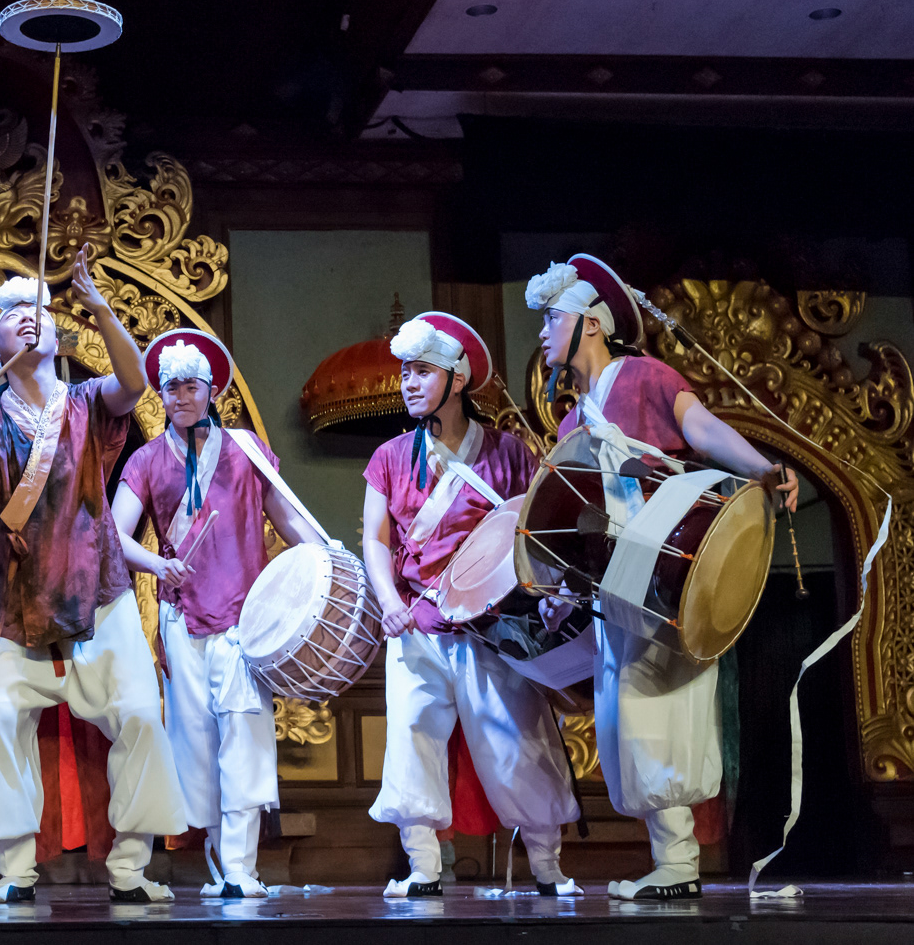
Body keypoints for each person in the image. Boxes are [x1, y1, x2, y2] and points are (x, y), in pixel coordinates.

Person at [527, 255, 796, 900]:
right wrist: (562, 589)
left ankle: (679, 863)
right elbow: (578, 520)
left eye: (552, 318)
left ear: (592, 323)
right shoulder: (571, 422)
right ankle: (670, 859)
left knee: (657, 710)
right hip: (615, 584)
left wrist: (761, 468)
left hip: (664, 568)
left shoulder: (646, 376)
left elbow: (698, 426)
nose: (541, 332)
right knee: (625, 715)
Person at [0, 248, 188, 904]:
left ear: (56, 336)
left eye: (39, 312)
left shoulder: (86, 403)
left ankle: (130, 869)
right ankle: (14, 869)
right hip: (19, 607)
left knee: (140, 715)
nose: (29, 318)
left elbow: (133, 383)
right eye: (14, 315)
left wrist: (98, 306)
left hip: (100, 597)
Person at [360, 312, 582, 899]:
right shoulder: (389, 456)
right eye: (404, 372)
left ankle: (548, 866)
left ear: (457, 380)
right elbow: (375, 540)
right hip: (416, 624)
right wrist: (388, 600)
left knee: (515, 742)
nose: (408, 383)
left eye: (422, 372)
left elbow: (536, 533)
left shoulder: (509, 453)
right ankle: (423, 867)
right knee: (412, 741)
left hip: (491, 624)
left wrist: (549, 593)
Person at [110, 329, 320, 898]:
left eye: (191, 386)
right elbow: (114, 535)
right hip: (182, 618)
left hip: (245, 618)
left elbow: (287, 518)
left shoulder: (246, 449)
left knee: (244, 732)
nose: (181, 397)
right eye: (171, 387)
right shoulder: (147, 459)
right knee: (196, 743)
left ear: (211, 391)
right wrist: (157, 563)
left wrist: (327, 563)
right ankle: (221, 864)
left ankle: (241, 868)